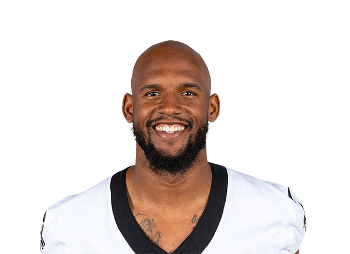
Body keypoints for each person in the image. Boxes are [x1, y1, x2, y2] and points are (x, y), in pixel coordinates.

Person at [41, 42, 305, 254]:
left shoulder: (275, 214)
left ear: (212, 108)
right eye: (152, 93)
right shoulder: (67, 226)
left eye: (188, 93)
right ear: (129, 107)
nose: (169, 108)